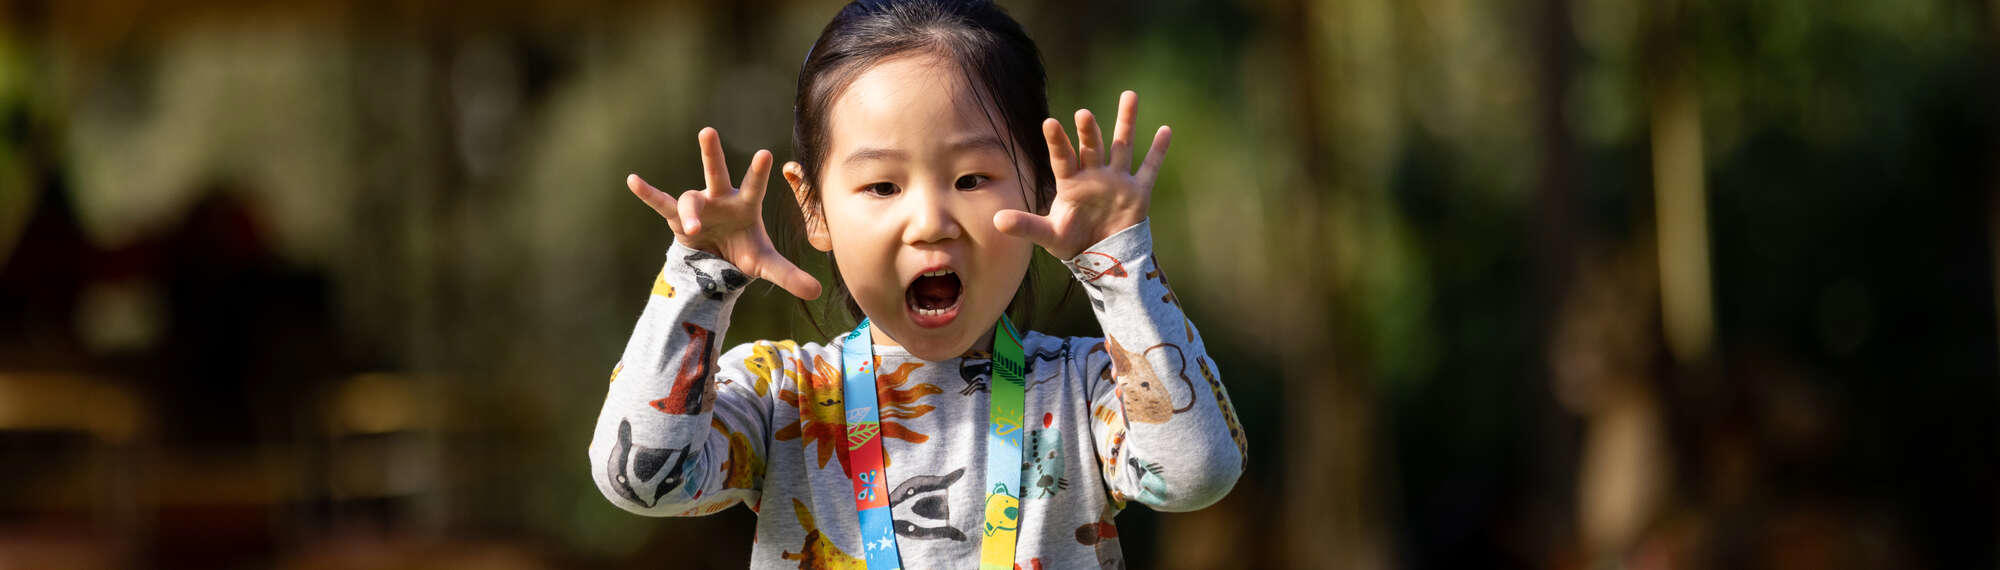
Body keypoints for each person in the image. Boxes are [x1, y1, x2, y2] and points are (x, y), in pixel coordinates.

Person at [588, 1, 1247, 567]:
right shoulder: (780, 396)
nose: (931, 222)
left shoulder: (1087, 388)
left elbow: (1195, 474)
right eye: (881, 186)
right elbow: (644, 479)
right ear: (813, 207)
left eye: (971, 180)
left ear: (1042, 192)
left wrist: (1119, 265)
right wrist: (699, 280)